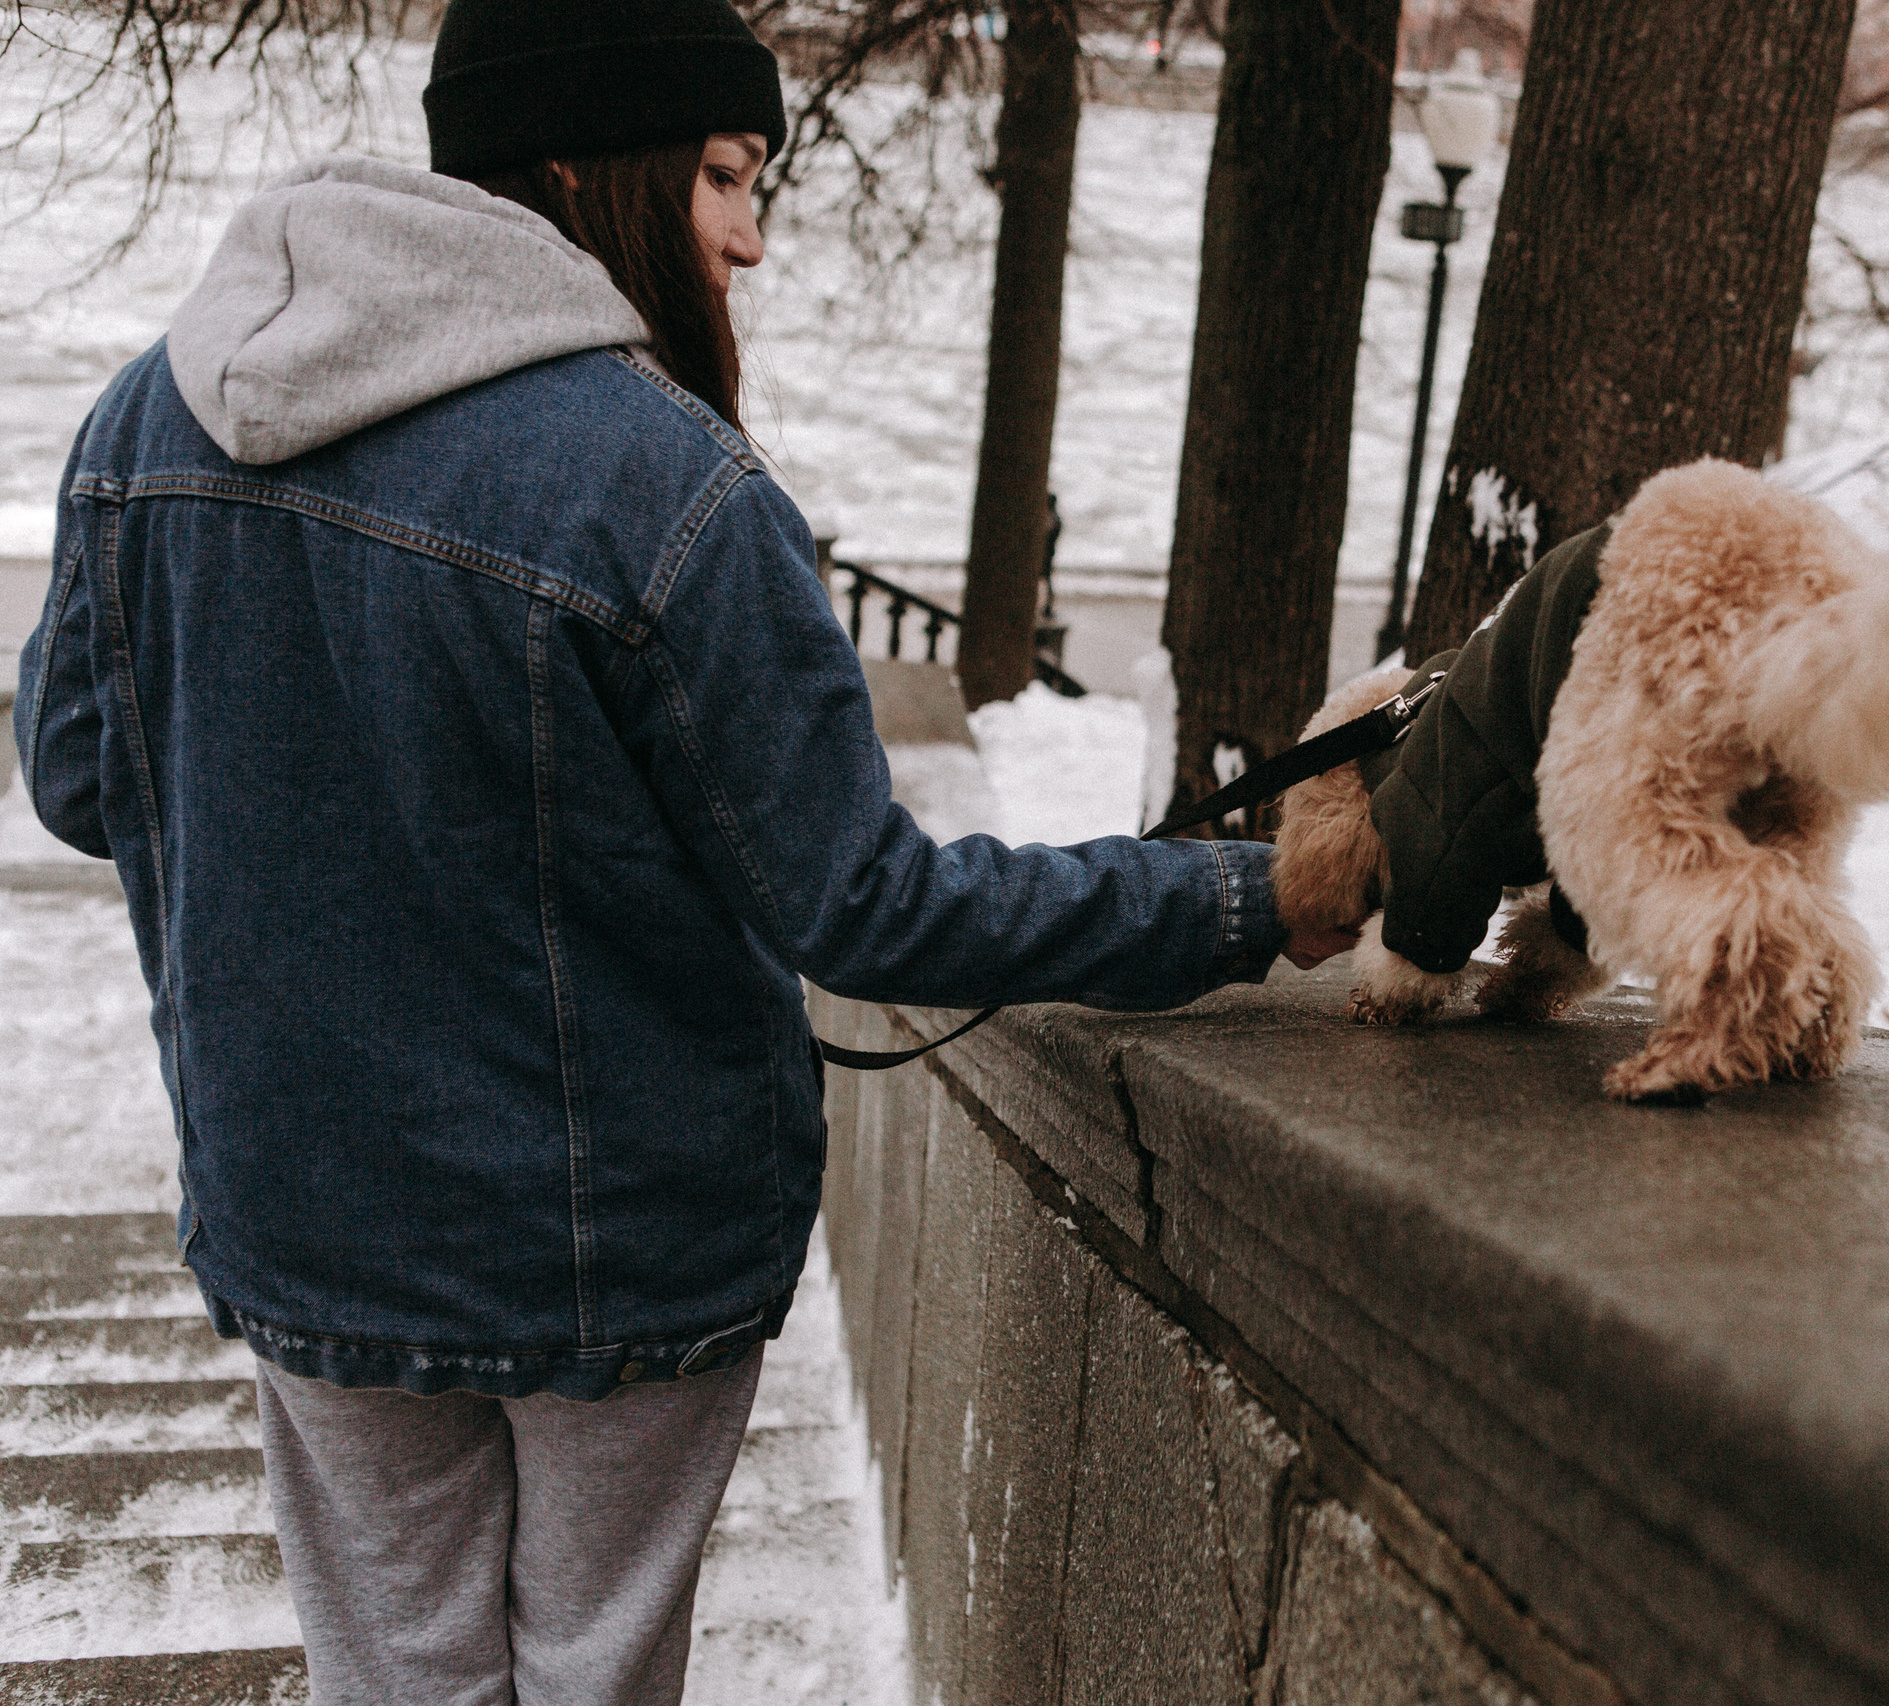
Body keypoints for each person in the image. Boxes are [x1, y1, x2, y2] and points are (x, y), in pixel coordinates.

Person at [11, 1, 1355, 1699]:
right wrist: (1246, 895)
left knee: (397, 1678)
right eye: (726, 174)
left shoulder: (149, 418)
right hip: (616, 1246)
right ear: (591, 168)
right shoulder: (665, 484)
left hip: (307, 1213)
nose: (750, 236)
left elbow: (79, 775)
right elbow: (865, 903)